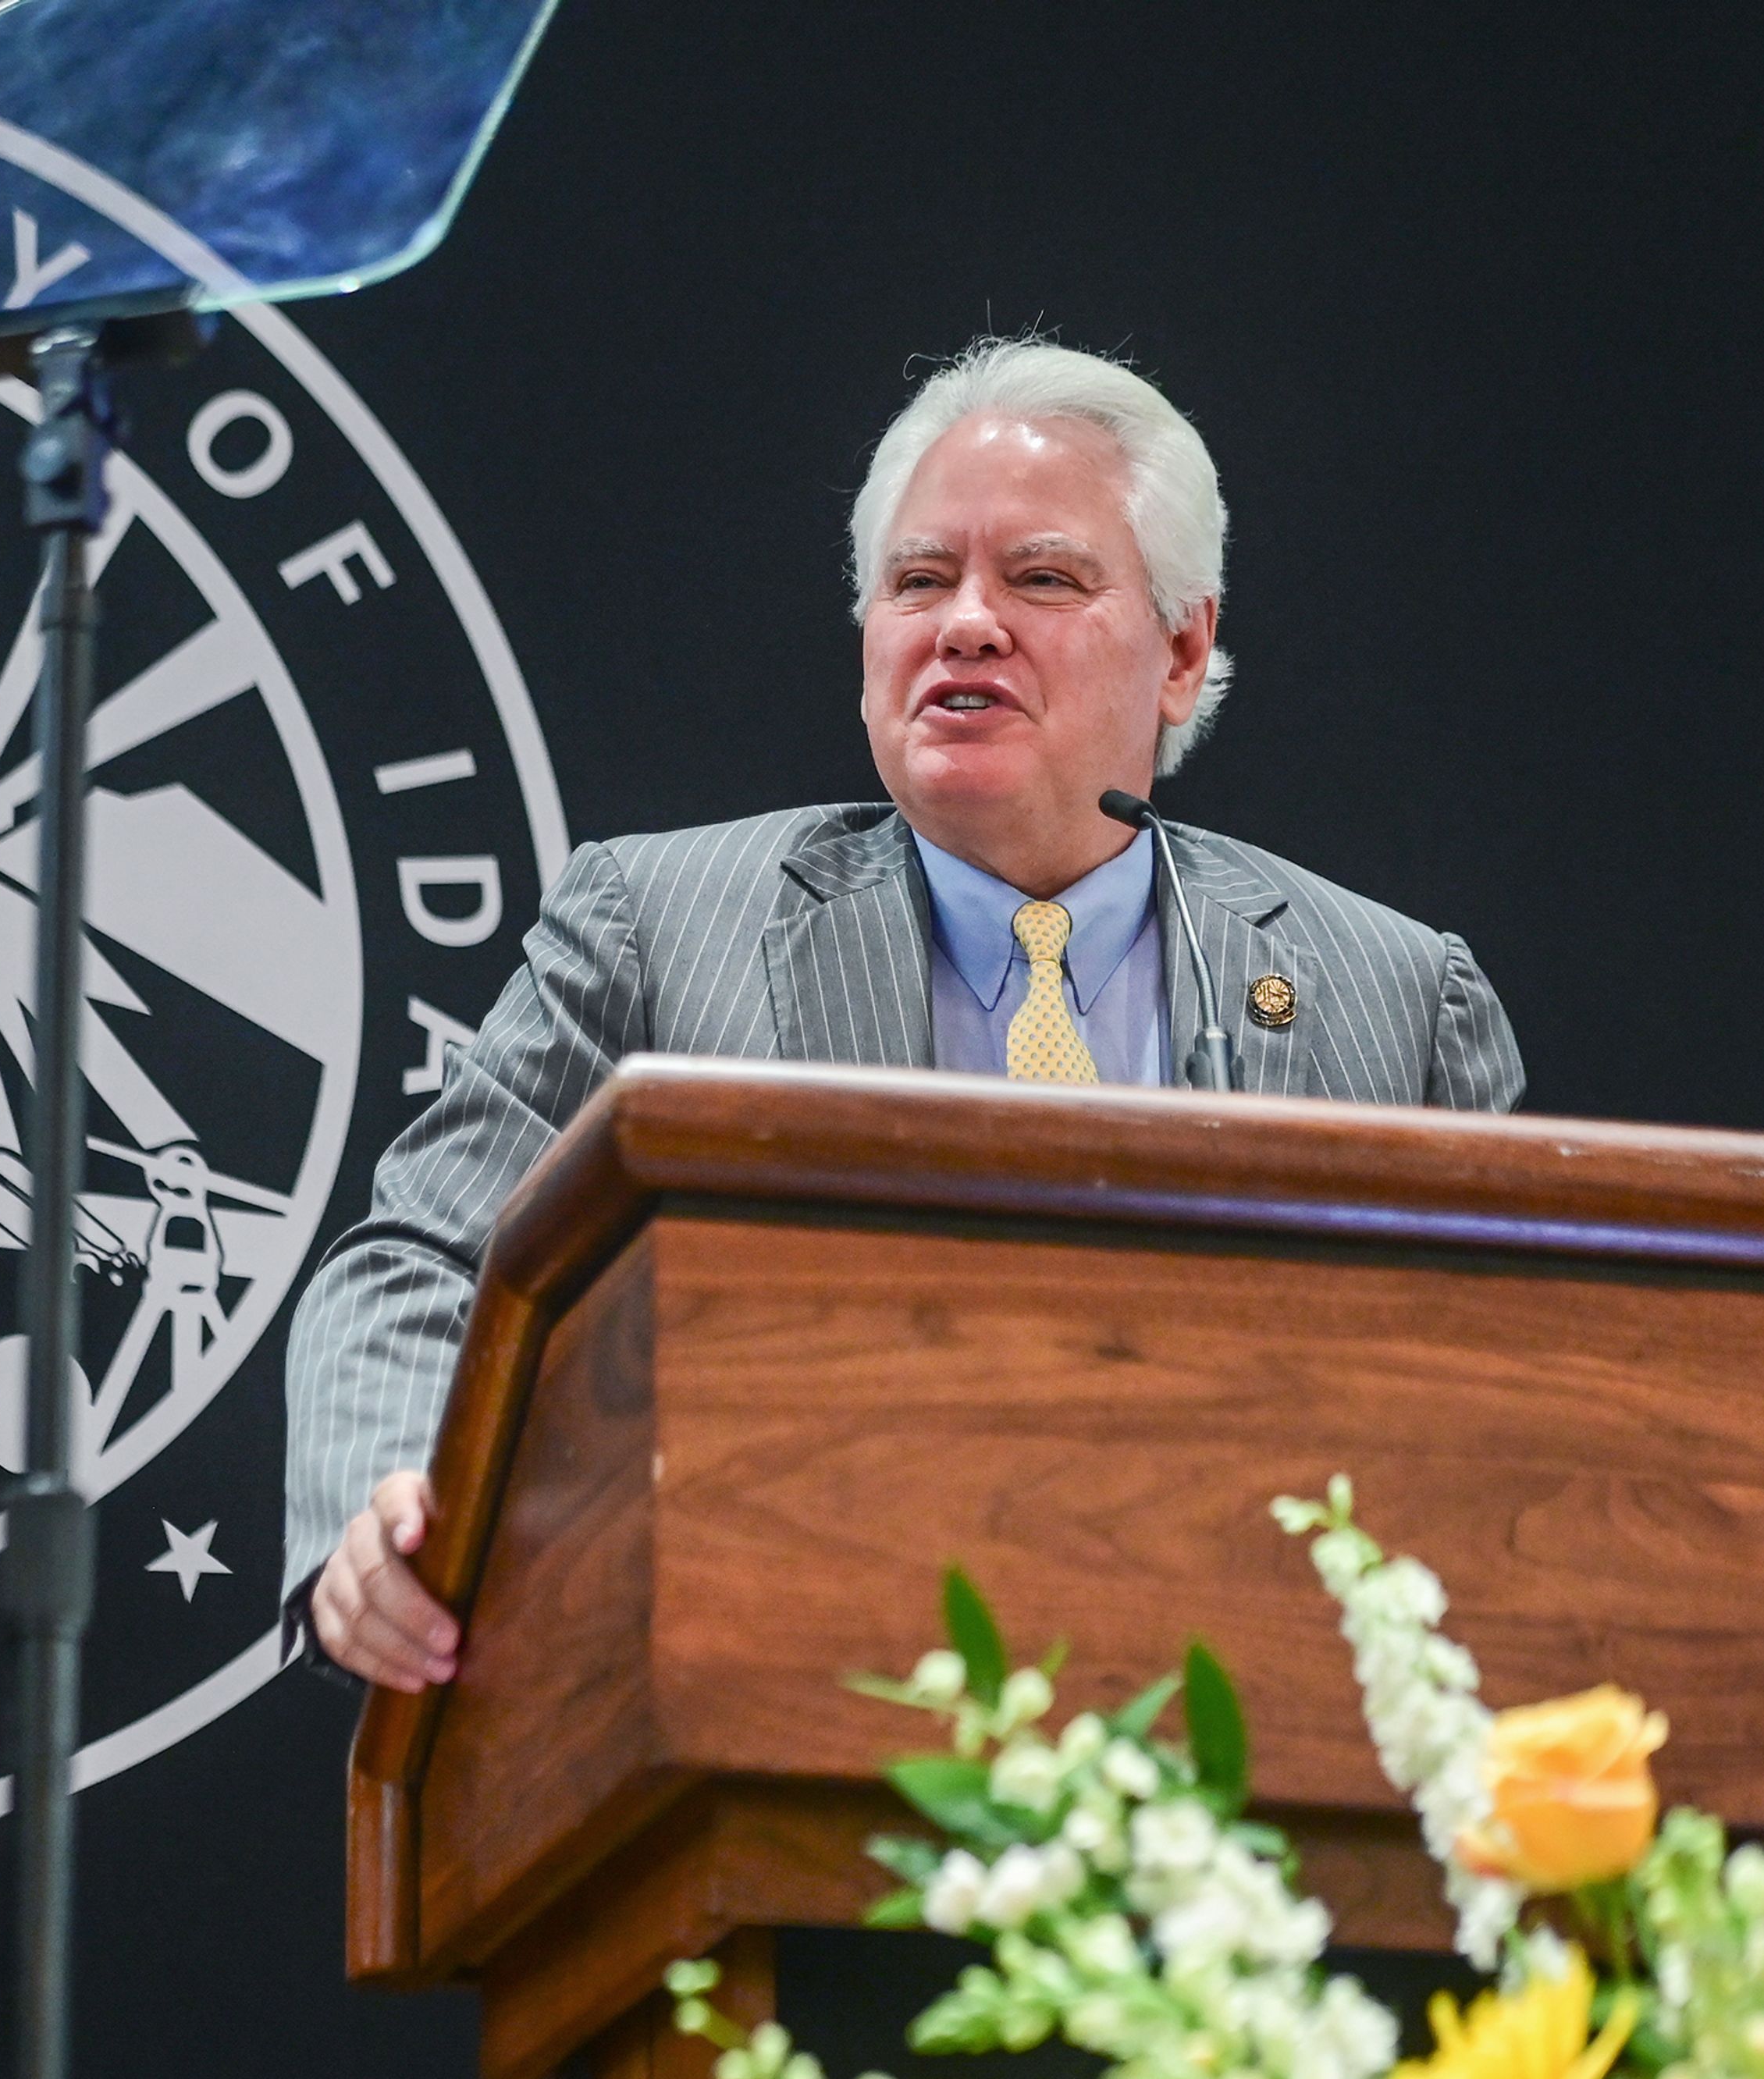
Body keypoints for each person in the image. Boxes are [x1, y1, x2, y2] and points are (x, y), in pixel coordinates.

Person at [283, 337, 1524, 1690]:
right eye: (920, 582)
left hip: (1254, 1711)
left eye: (1041, 579)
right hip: (782, 1682)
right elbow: (419, 1260)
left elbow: (1522, 1403)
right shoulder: (658, 923)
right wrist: (386, 1486)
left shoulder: (1391, 994)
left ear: (1182, 650)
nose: (967, 624)